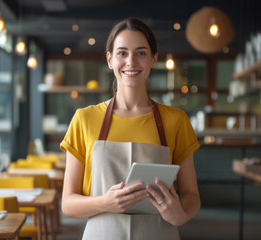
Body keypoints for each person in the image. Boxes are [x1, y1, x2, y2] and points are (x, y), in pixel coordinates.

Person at [60, 17, 201, 240]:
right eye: (122, 53)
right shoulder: (84, 119)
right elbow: (67, 204)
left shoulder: (176, 120)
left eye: (141, 53)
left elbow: (192, 196)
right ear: (109, 60)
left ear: (154, 59)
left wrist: (180, 216)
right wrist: (105, 202)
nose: (131, 61)